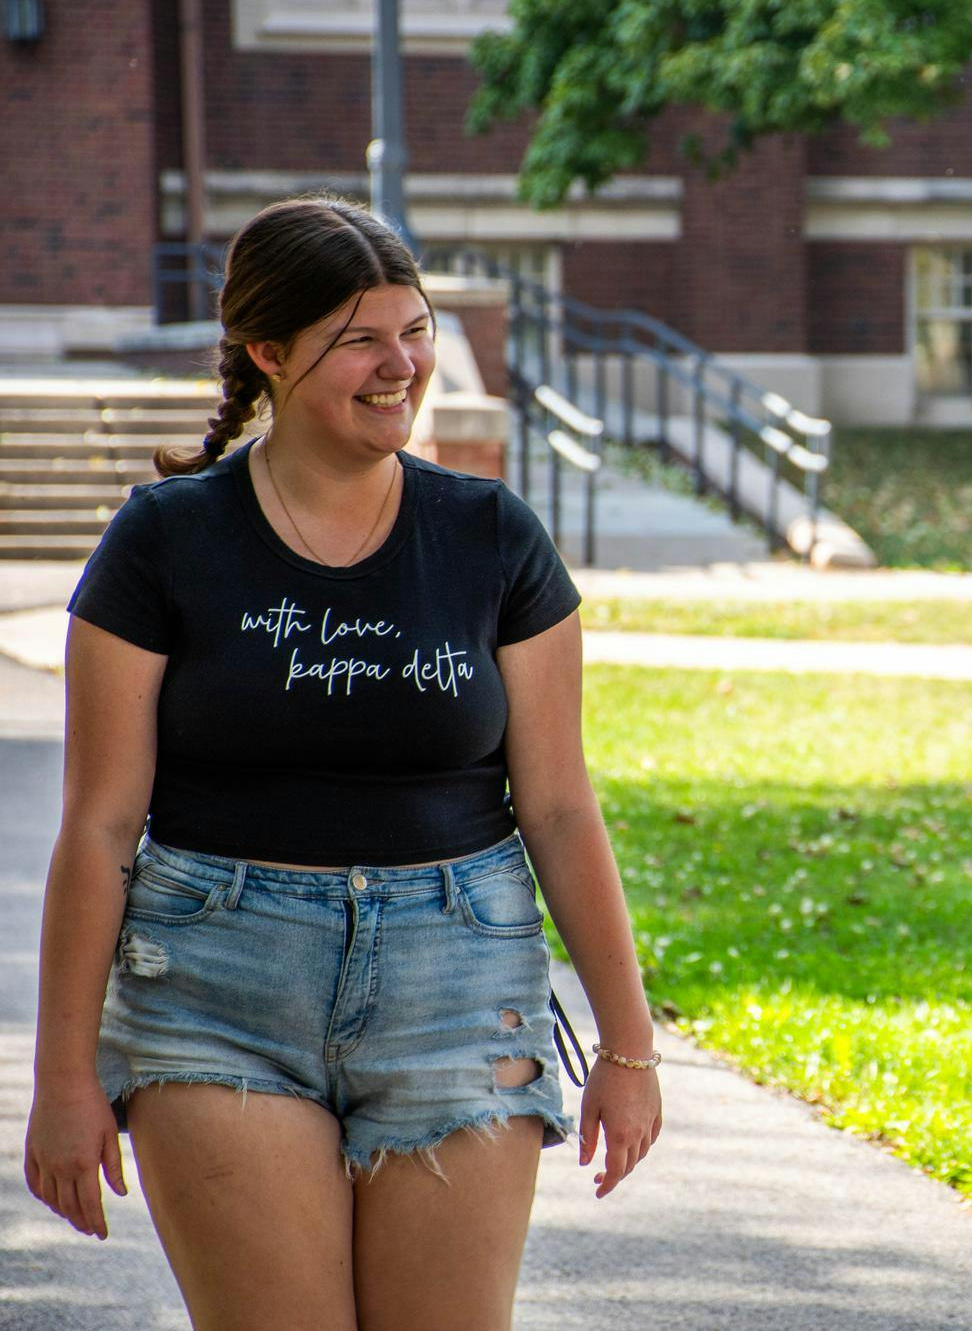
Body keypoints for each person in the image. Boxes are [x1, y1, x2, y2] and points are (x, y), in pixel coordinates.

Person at [25, 196, 664, 1327]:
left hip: (458, 982)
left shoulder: (493, 535)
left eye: (412, 330)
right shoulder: (163, 540)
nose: (401, 365)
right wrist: (62, 1076)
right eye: (359, 340)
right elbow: (100, 826)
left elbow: (560, 807)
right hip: (216, 984)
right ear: (267, 352)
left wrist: (629, 1046)